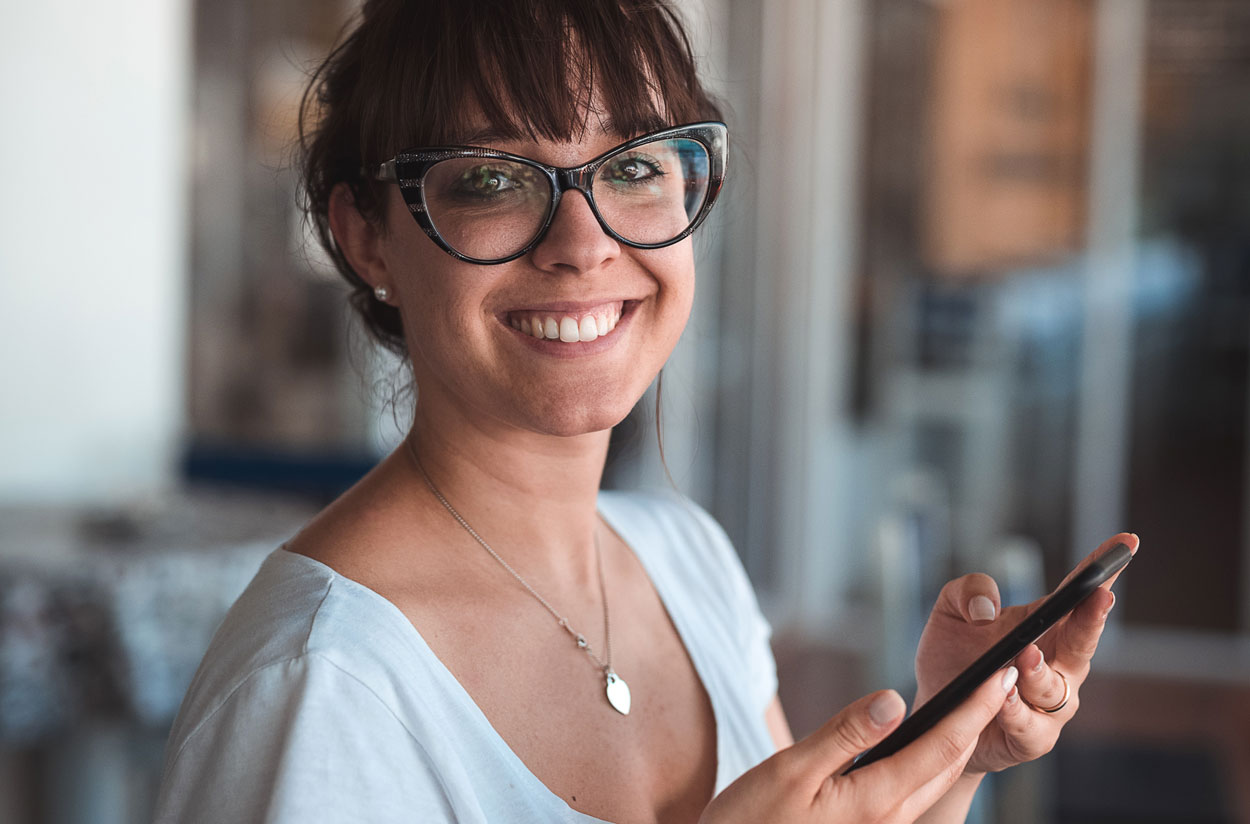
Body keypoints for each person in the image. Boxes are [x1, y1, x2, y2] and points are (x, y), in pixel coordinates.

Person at [153, 1, 1137, 821]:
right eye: (492, 179)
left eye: (632, 167)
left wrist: (954, 740)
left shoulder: (684, 558)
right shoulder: (321, 687)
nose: (583, 244)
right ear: (366, 237)